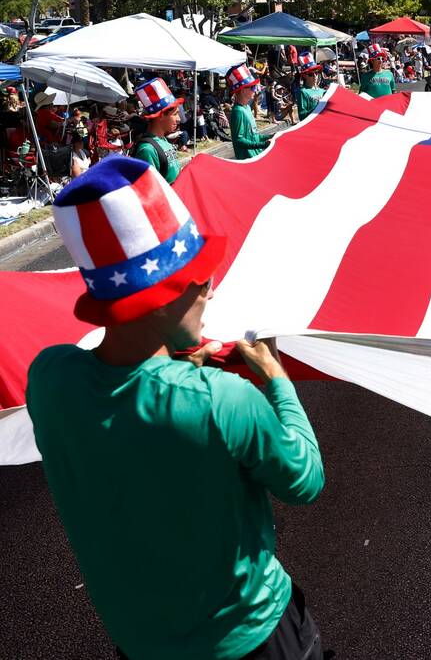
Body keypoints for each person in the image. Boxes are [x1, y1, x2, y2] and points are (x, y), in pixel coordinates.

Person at [27, 157, 325, 660]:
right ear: (162, 297)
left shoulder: (49, 377)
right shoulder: (222, 400)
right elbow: (305, 480)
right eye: (198, 277)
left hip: (141, 643)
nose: (208, 287)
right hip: (251, 637)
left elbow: (122, 389)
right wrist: (275, 376)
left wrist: (175, 359)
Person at [129, 77, 185, 184]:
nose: (179, 119)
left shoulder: (163, 140)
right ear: (161, 115)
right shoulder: (147, 150)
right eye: (175, 114)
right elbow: (150, 189)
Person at [227, 64, 271, 160]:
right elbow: (239, 140)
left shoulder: (247, 107)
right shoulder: (238, 111)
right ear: (243, 90)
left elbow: (254, 136)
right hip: (248, 159)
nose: (255, 91)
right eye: (253, 88)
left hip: (256, 156)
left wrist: (271, 136)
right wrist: (262, 144)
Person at [295, 51, 325, 121]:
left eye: (316, 73)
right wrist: (319, 107)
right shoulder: (302, 92)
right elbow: (302, 116)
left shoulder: (323, 91)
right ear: (305, 76)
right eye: (311, 74)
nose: (315, 76)